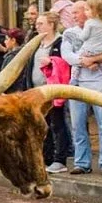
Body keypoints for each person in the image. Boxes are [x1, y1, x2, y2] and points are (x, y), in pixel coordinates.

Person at [61, 0, 102, 175]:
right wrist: (84, 61)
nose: (74, 16)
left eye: (77, 12)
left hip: (101, 83)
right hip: (77, 84)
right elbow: (66, 55)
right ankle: (82, 162)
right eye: (72, 13)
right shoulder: (69, 33)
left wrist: (94, 59)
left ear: (88, 11)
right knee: (78, 125)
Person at [30, 11, 72, 174]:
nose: (37, 26)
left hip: (53, 92)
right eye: (37, 23)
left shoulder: (60, 43)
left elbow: (65, 65)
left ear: (51, 25)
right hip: (37, 91)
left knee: (57, 124)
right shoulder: (35, 43)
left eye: (41, 23)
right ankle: (45, 157)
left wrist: (52, 61)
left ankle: (60, 158)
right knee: (41, 125)